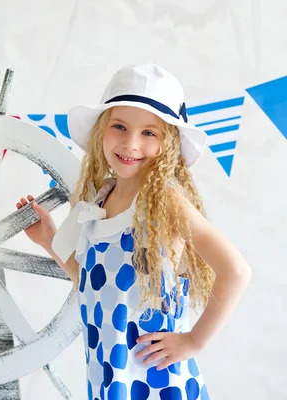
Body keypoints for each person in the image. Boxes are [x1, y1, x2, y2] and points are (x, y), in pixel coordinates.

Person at [16, 63, 251, 399]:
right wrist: (50, 240)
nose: (130, 143)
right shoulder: (100, 198)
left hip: (157, 382)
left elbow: (236, 271)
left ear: (168, 143)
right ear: (102, 131)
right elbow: (93, 287)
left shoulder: (164, 201)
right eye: (120, 126)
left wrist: (194, 341)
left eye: (149, 133)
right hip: (110, 377)